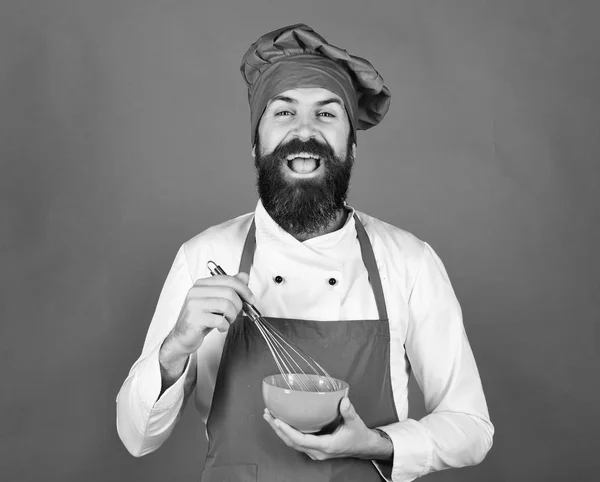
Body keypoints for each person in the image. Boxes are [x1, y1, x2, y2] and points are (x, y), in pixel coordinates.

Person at [116, 24, 494, 482]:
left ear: (351, 145)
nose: (305, 131)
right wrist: (175, 347)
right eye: (283, 112)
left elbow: (472, 428)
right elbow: (137, 437)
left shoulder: (408, 260)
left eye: (326, 115)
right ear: (256, 144)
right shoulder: (206, 255)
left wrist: (375, 443)